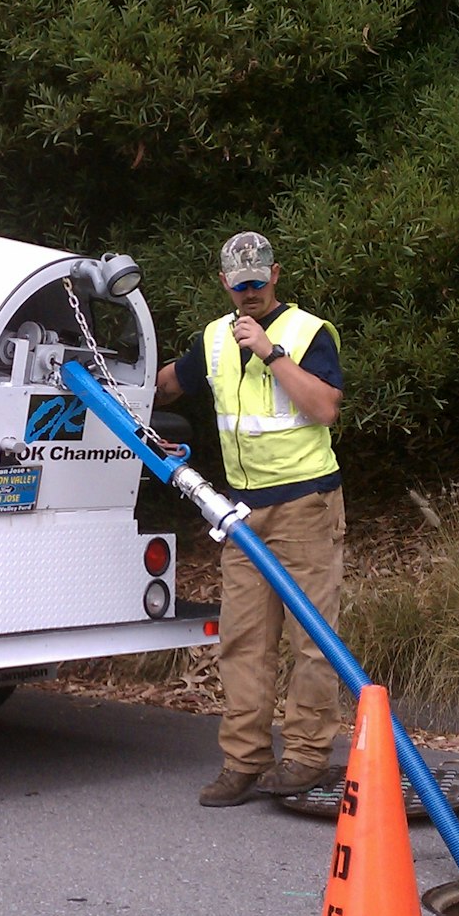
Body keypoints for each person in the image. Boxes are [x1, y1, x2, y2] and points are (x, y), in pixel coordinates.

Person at [156, 230, 346, 805]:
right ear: (224, 284)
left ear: (276, 275)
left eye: (258, 282)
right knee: (243, 639)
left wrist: (269, 352)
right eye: (240, 286)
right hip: (241, 512)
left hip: (306, 506)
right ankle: (244, 760)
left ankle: (308, 757)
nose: (249, 293)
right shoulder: (214, 339)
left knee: (312, 638)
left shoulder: (306, 332)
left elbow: (324, 408)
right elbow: (166, 388)